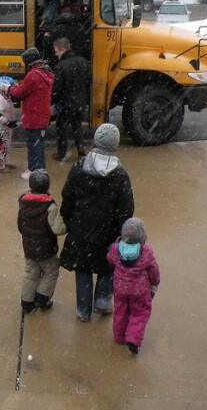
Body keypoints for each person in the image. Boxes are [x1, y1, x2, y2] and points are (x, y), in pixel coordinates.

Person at [59, 124, 135, 322]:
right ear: (115, 145)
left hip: (81, 228)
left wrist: (67, 219)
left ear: (95, 141)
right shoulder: (120, 174)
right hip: (107, 231)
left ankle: (83, 310)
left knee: (82, 267)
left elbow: (68, 196)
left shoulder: (79, 167)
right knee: (107, 265)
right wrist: (121, 231)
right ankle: (102, 302)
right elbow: (126, 208)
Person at [106, 217, 160, 354]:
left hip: (120, 287)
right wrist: (155, 282)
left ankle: (119, 336)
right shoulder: (146, 251)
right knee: (140, 313)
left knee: (120, 310)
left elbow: (109, 258)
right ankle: (133, 338)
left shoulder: (116, 249)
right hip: (139, 290)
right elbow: (153, 270)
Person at [17, 169, 67, 313]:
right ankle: (42, 298)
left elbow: (20, 226)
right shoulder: (49, 207)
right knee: (50, 272)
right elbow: (58, 229)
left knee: (30, 274)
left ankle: (26, 302)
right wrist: (67, 225)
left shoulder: (23, 204)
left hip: (29, 248)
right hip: (46, 249)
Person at [7, 48, 54, 180]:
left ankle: (34, 171)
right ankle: (41, 168)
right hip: (43, 114)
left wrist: (10, 88)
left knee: (33, 144)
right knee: (38, 143)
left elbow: (19, 93)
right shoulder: (46, 72)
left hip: (33, 115)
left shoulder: (33, 74)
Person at [51, 37, 91, 162]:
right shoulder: (84, 62)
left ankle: (62, 153)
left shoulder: (61, 66)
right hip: (81, 101)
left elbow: (57, 89)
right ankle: (81, 150)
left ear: (63, 50)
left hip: (66, 103)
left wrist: (54, 101)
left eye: (56, 51)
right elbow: (89, 83)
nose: (56, 54)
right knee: (77, 125)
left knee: (61, 126)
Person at [0, 76, 19, 173]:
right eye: (10, 88)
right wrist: (7, 122)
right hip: (2, 128)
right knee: (2, 147)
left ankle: (4, 162)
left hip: (7, 127)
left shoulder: (5, 97)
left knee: (6, 146)